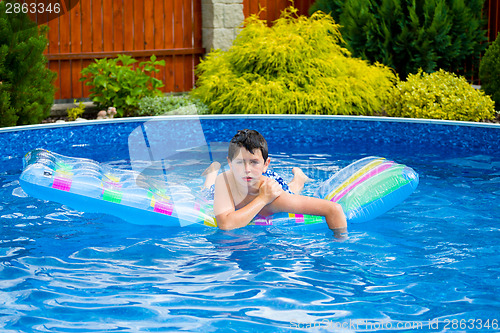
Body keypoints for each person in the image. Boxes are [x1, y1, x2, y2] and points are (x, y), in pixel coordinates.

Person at [202, 129, 347, 236]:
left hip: (270, 183)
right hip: (254, 189)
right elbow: (226, 224)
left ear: (266, 164)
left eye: (254, 162)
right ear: (230, 163)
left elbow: (334, 209)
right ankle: (213, 171)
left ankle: (299, 177)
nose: (247, 169)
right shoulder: (225, 180)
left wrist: (339, 246)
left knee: (292, 190)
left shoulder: (276, 197)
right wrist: (262, 199)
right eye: (240, 162)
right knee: (207, 193)